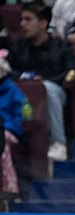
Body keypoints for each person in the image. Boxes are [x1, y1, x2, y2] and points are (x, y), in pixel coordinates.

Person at [9, 1, 75, 163]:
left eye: (28, 19)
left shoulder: (61, 46)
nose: (22, 24)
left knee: (47, 88)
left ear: (42, 23)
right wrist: (27, 77)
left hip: (55, 92)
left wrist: (43, 82)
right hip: (23, 92)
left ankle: (58, 143)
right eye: (21, 19)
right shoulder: (19, 46)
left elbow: (71, 72)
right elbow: (8, 70)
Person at [0, 49, 32, 203]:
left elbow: (24, 115)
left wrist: (7, 127)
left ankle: (10, 187)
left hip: (10, 131)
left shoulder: (12, 90)